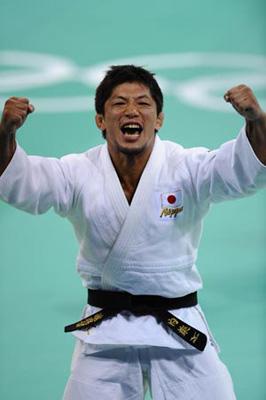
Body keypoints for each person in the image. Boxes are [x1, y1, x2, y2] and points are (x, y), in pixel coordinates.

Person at [0, 65, 265, 400]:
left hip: (178, 326)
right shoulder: (78, 172)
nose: (131, 111)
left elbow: (245, 170)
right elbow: (19, 182)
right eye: (119, 104)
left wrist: (256, 120)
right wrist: (5, 132)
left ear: (159, 120)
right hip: (104, 332)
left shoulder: (186, 168)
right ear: (100, 120)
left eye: (143, 103)